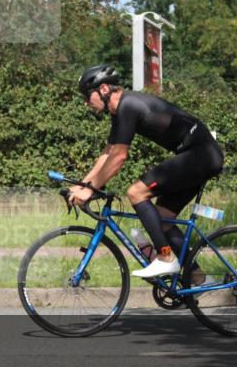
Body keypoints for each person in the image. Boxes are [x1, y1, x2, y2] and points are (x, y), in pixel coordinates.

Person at [69, 65, 224, 281]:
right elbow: (108, 153)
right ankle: (199, 278)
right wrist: (83, 186)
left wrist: (91, 189)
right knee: (163, 220)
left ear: (103, 89)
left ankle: (166, 258)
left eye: (87, 96)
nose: (86, 102)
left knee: (136, 192)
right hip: (197, 155)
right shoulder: (121, 110)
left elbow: (119, 158)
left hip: (201, 155)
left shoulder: (128, 105)